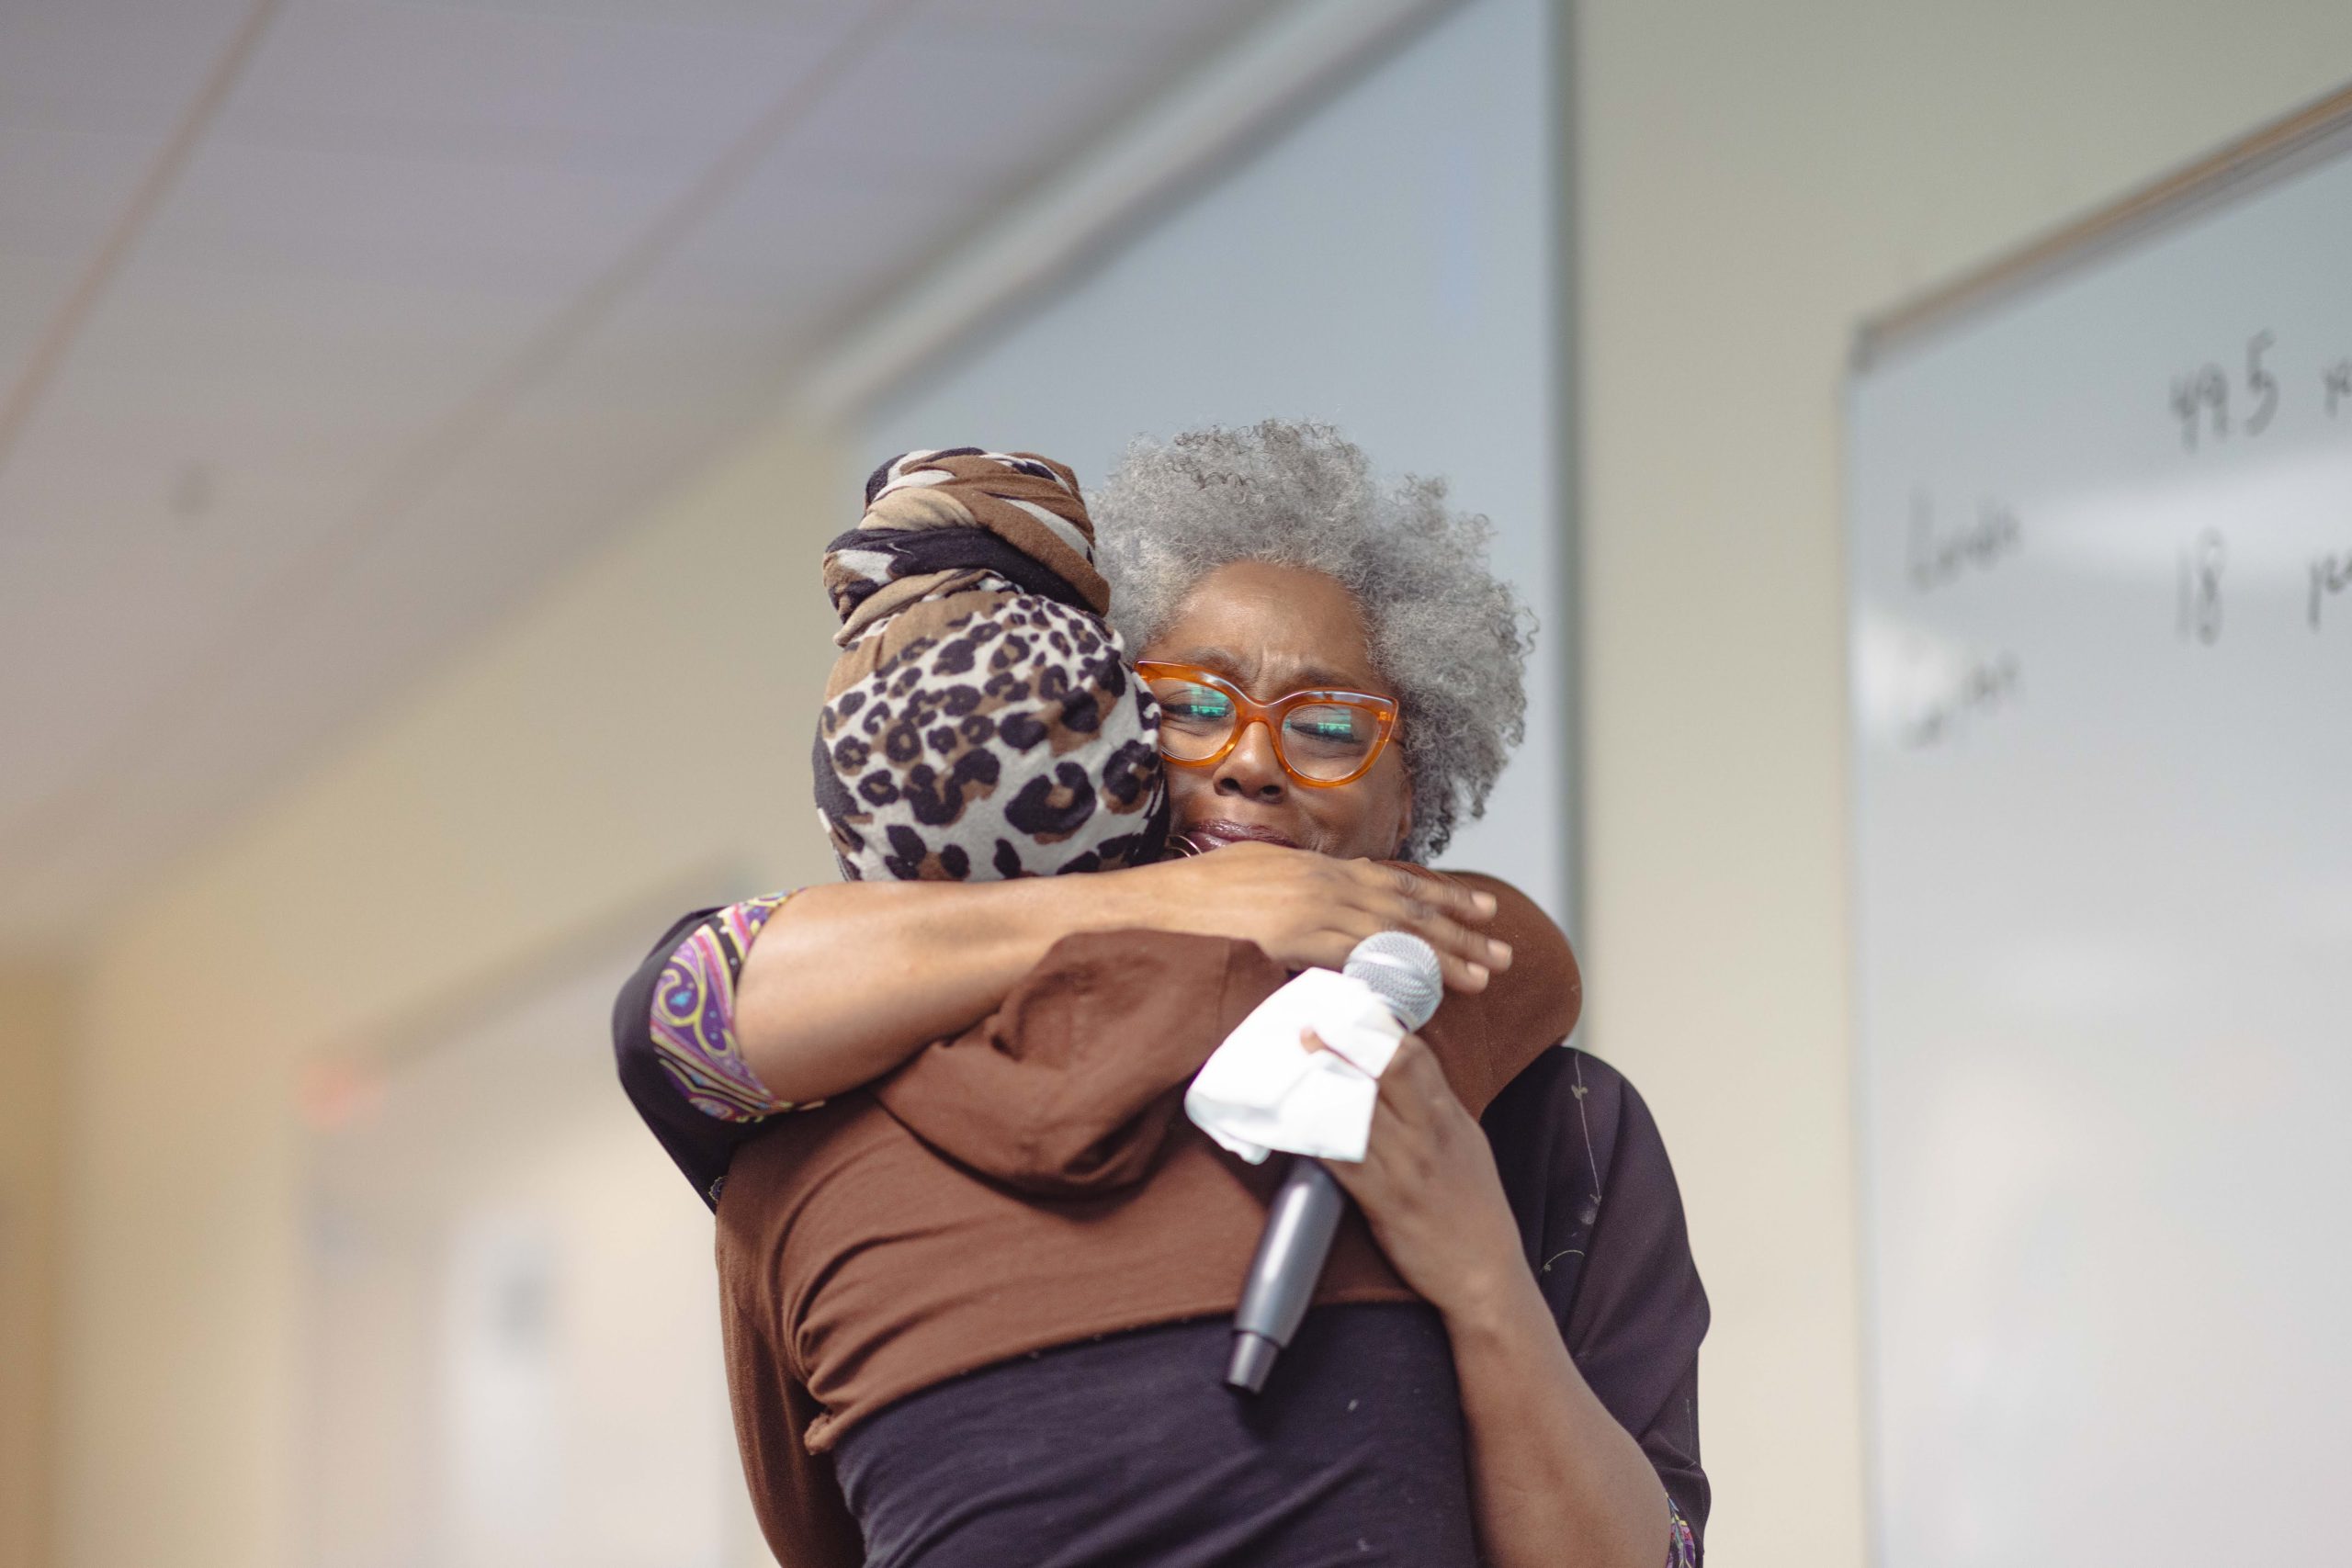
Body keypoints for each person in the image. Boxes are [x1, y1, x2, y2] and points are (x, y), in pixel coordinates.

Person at [614, 422, 1708, 1567]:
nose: (1251, 761)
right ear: (1102, 735)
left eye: (1329, 725)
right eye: (1192, 706)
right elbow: (679, 1008)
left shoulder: (1549, 1122)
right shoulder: (847, 1081)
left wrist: (1482, 1276)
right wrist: (1180, 905)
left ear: (1411, 794)